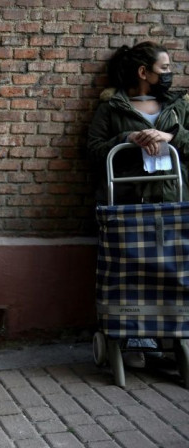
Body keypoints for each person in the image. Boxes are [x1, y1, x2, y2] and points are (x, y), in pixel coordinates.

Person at [87, 41, 189, 368]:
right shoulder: (113, 108)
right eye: (165, 68)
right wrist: (127, 139)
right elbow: (93, 151)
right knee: (133, 271)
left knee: (173, 272)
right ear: (144, 72)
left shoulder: (179, 106)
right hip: (130, 203)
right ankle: (135, 339)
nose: (170, 74)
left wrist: (171, 138)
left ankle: (173, 338)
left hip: (171, 200)